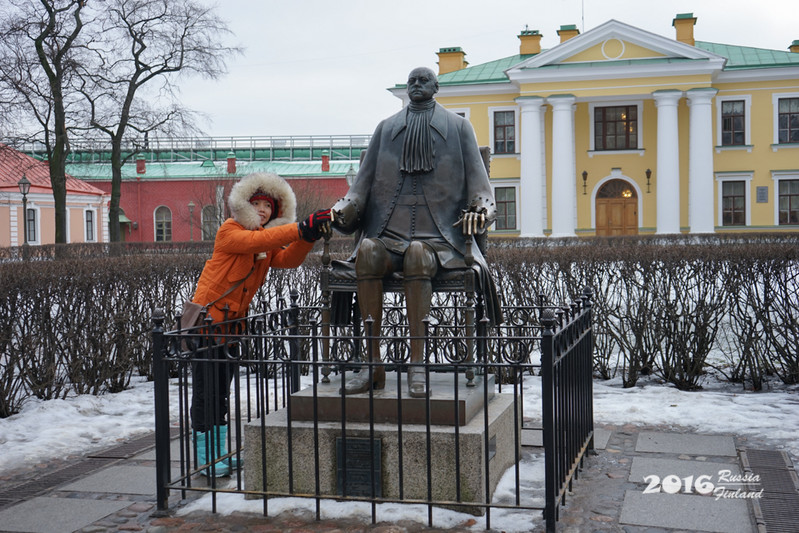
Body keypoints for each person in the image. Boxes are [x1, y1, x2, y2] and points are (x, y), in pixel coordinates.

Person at [331, 66, 501, 398]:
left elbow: (483, 191)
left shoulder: (459, 128)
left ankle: (418, 365)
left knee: (417, 254)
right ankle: (372, 364)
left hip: (441, 240)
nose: (417, 85)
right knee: (366, 251)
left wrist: (480, 212)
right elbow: (359, 188)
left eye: (424, 80)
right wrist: (342, 208)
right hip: (389, 234)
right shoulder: (386, 129)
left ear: (436, 87)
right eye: (412, 81)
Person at [189, 171, 331, 476]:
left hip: (230, 327)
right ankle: (205, 458)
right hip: (207, 323)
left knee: (220, 394)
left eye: (269, 206)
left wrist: (308, 236)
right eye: (257, 204)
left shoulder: (262, 243)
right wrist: (299, 227)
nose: (263, 210)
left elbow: (288, 260)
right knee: (205, 393)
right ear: (245, 205)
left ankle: (219, 454)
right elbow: (260, 239)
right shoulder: (231, 230)